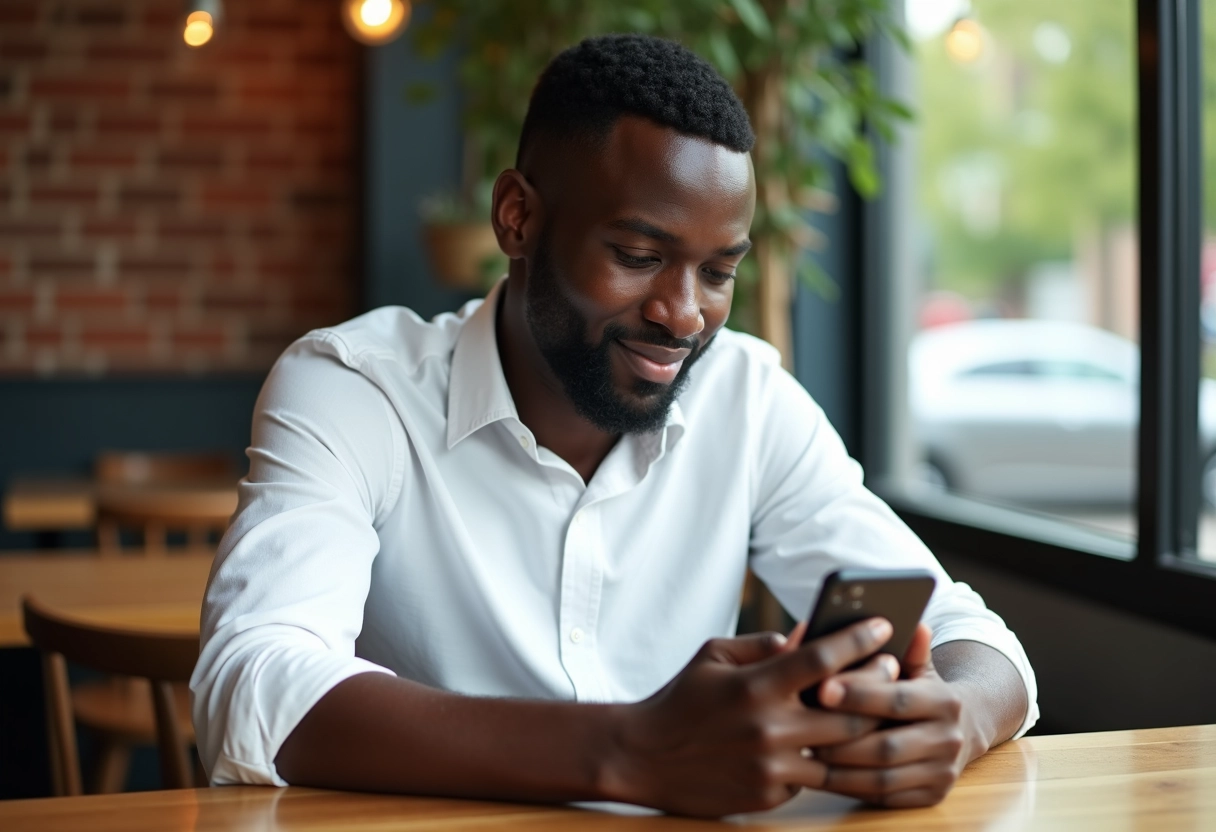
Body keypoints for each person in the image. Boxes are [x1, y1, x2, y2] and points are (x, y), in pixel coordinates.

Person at [191, 34, 1037, 818]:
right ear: (517, 218)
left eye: (717, 272)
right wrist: (630, 750)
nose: (682, 315)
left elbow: (973, 638)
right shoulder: (355, 388)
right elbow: (251, 684)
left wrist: (953, 720)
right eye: (637, 257)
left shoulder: (745, 397)